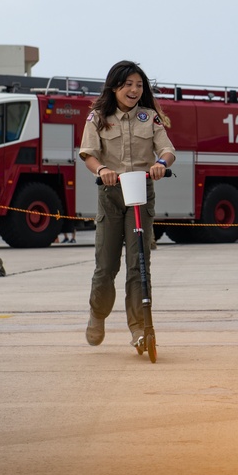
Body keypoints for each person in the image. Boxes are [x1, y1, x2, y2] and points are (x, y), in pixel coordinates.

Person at [79, 60, 176, 349]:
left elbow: (168, 149)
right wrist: (101, 171)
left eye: (139, 85)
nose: (134, 90)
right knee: (106, 265)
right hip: (111, 193)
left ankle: (140, 329)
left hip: (141, 193)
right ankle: (98, 315)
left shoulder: (150, 118)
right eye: (128, 84)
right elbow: (89, 155)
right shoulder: (97, 118)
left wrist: (160, 163)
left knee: (139, 265)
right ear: (115, 86)